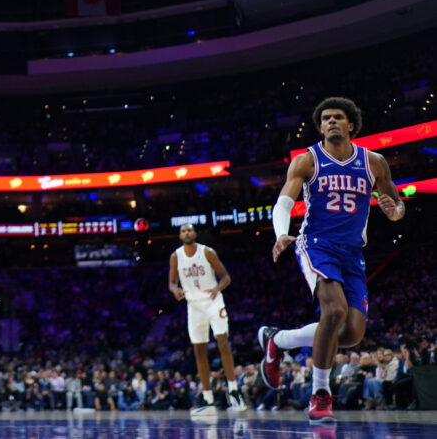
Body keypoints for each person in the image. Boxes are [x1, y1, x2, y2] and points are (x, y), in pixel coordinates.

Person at [258, 96, 405, 423]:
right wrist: (281, 233)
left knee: (351, 334)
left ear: (351, 124)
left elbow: (396, 204)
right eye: (325, 118)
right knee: (334, 311)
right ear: (321, 127)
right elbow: (284, 202)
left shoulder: (374, 162)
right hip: (316, 245)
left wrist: (395, 211)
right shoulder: (307, 160)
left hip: (352, 252)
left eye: (337, 117)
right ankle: (320, 394)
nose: (331, 122)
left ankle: (277, 340)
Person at [168, 223, 246, 414]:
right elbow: (171, 282)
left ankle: (234, 391)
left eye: (189, 230)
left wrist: (217, 288)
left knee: (223, 342)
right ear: (180, 235)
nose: (186, 233)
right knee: (199, 351)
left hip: (213, 301)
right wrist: (175, 290)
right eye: (183, 231)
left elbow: (226, 277)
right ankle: (208, 399)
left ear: (195, 234)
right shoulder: (176, 256)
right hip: (193, 306)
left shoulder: (207, 252)